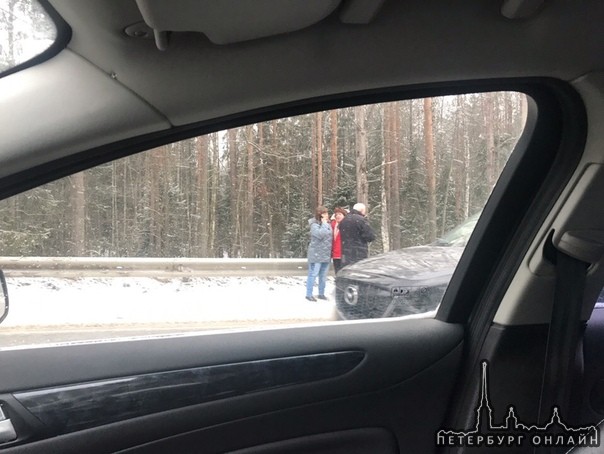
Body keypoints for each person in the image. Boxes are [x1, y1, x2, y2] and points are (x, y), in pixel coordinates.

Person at [305, 206, 332, 301]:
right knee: (313, 274)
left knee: (323, 276)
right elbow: (320, 235)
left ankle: (321, 293)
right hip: (316, 254)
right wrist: (324, 224)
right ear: (319, 215)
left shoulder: (328, 224)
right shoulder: (314, 224)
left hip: (326, 254)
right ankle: (309, 294)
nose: (326, 215)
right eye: (324, 214)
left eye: (327, 213)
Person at [339, 202, 376, 267]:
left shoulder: (344, 220)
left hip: (346, 250)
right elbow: (370, 236)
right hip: (359, 251)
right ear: (362, 210)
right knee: (359, 271)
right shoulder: (361, 220)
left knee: (347, 270)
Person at [330, 207, 347, 274]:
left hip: (343, 253)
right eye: (336, 214)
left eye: (340, 214)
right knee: (337, 272)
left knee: (343, 273)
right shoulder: (332, 225)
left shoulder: (347, 225)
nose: (338, 216)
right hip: (335, 253)